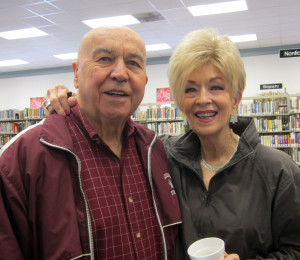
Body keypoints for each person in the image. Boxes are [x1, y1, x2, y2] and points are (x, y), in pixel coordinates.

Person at [44, 29, 300, 260]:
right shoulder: (159, 157)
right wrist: (71, 100)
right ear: (179, 101)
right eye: (190, 90)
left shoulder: (278, 170)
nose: (203, 99)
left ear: (235, 98)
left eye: (216, 87)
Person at [0, 26, 182, 260]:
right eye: (104, 59)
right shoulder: (22, 159)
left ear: (144, 80)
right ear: (76, 74)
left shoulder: (154, 150)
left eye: (133, 63)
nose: (120, 73)